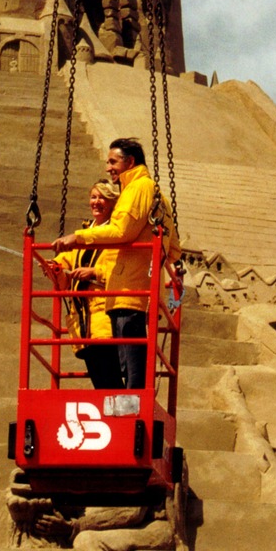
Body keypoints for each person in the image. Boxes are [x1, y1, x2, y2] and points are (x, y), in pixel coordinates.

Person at [53, 138, 181, 390]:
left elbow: (122, 231)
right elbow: (174, 249)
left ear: (130, 162)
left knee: (130, 369)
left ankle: (132, 409)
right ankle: (132, 406)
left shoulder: (137, 188)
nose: (108, 168)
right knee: (130, 364)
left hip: (126, 290)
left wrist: (78, 239)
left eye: (113, 161)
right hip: (135, 288)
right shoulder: (158, 196)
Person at [44, 179, 123, 389]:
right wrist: (55, 266)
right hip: (84, 321)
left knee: (110, 380)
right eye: (94, 197)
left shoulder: (118, 235)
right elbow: (68, 259)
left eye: (102, 198)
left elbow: (120, 270)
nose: (96, 202)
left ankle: (120, 417)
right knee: (100, 380)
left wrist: (94, 272)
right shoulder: (84, 233)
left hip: (105, 318)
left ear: (113, 203)